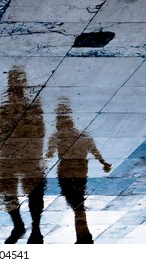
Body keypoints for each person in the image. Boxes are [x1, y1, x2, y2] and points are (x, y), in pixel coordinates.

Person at [0, 66, 46, 244]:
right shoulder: (5, 106)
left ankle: (35, 229)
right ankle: (19, 225)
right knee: (7, 189)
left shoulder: (32, 104)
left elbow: (40, 130)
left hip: (28, 153)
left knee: (33, 192)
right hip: (11, 153)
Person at [46, 98, 111, 244]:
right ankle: (82, 227)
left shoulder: (56, 136)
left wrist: (42, 165)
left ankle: (82, 227)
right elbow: (94, 150)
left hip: (65, 166)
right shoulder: (83, 135)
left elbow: (49, 154)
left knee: (71, 193)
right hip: (81, 166)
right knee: (78, 192)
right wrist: (103, 162)